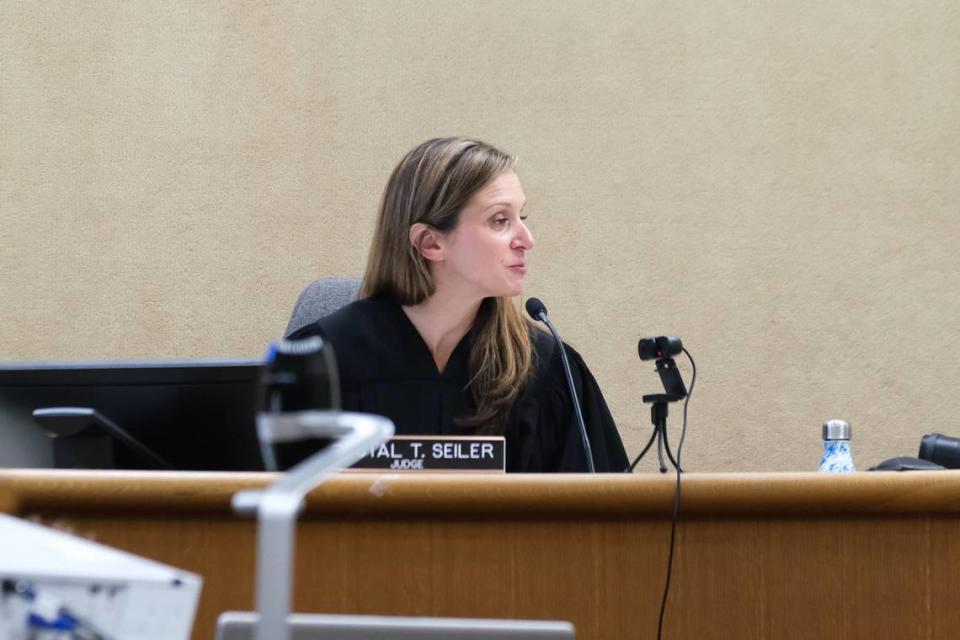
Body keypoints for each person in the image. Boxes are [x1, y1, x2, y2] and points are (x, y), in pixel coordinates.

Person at [289, 137, 628, 472]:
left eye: (521, 216)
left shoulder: (545, 368)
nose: (527, 240)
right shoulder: (319, 362)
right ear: (430, 242)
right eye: (500, 220)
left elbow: (599, 516)